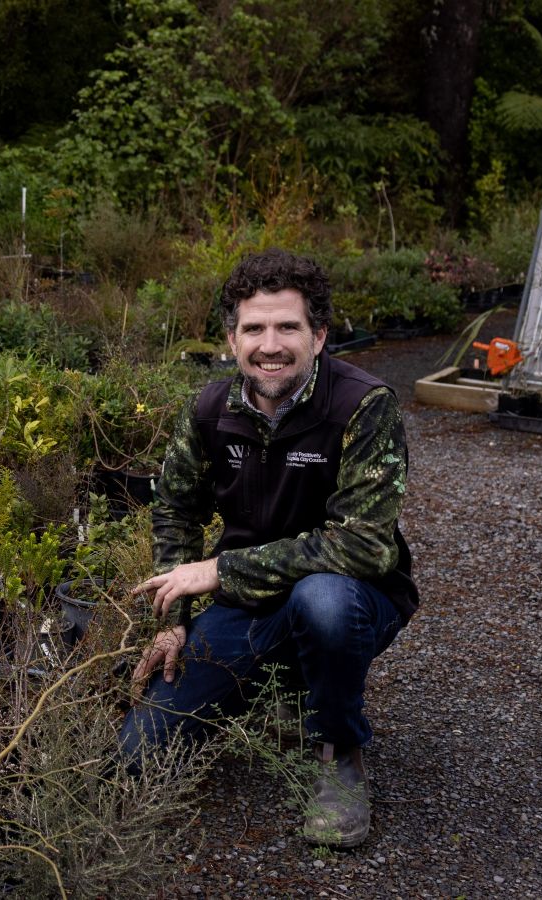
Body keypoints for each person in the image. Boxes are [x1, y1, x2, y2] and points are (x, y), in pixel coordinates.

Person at [119, 248, 417, 848]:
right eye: (253, 328)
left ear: (320, 335)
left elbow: (363, 546)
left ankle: (338, 748)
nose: (270, 344)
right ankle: (280, 688)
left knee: (323, 604)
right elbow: (175, 510)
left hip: (354, 595)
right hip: (248, 604)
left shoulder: (364, 406)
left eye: (288, 326)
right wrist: (174, 621)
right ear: (232, 339)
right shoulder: (209, 410)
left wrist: (222, 569)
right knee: (136, 756)